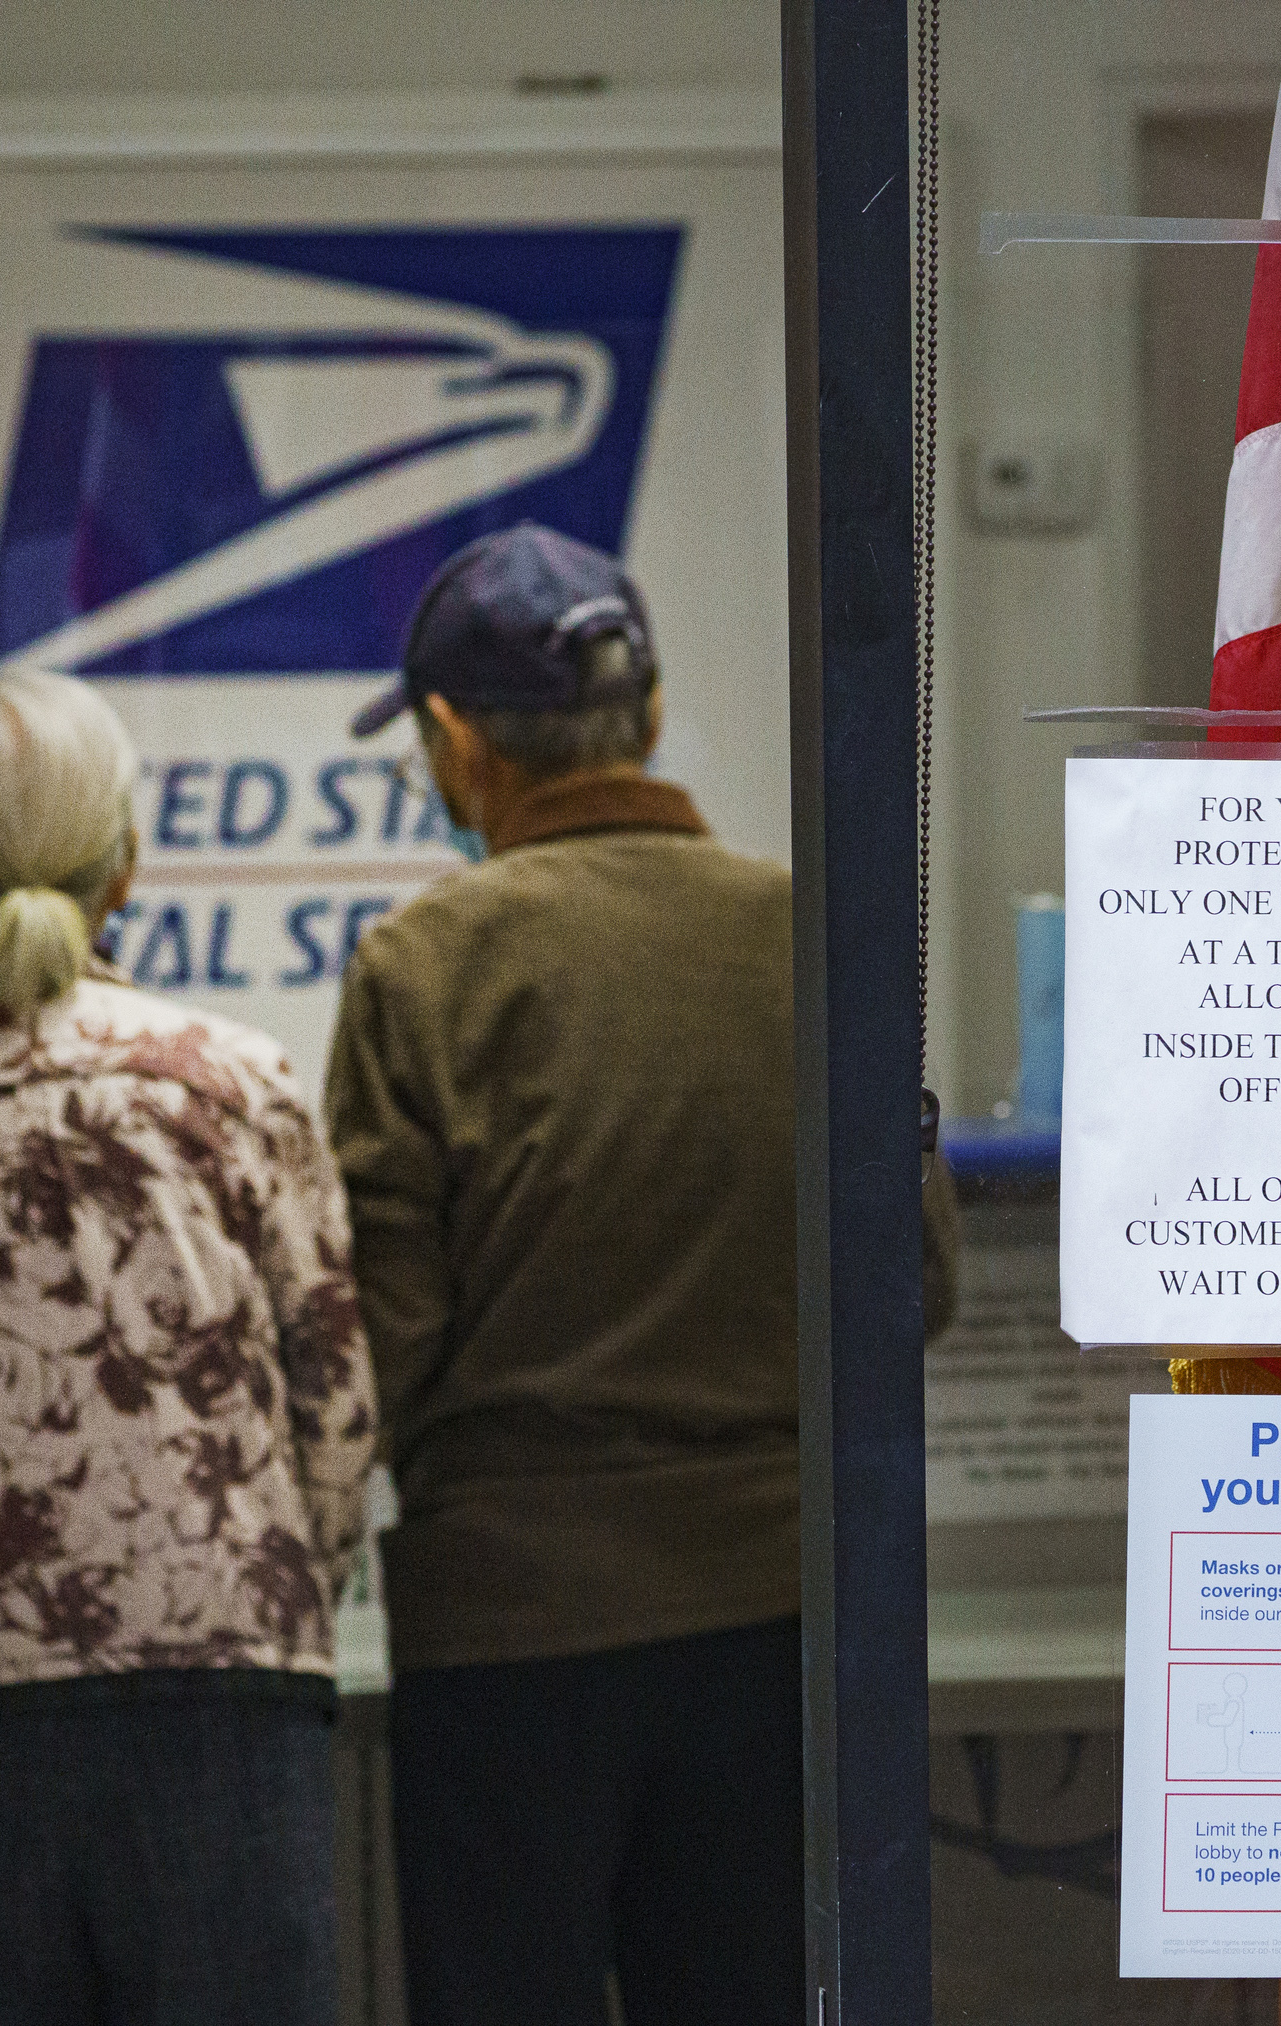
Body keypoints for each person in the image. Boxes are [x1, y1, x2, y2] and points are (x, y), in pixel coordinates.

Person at [325, 523, 952, 2026]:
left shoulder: (422, 965)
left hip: (509, 1645)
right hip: (776, 1624)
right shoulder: (813, 932)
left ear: (454, 741)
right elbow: (911, 1286)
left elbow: (376, 1347)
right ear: (653, 714)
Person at [0, 668, 376, 2026]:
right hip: (228, 1688)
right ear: (130, 866)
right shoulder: (241, 1082)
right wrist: (267, 1585)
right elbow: (336, 1406)